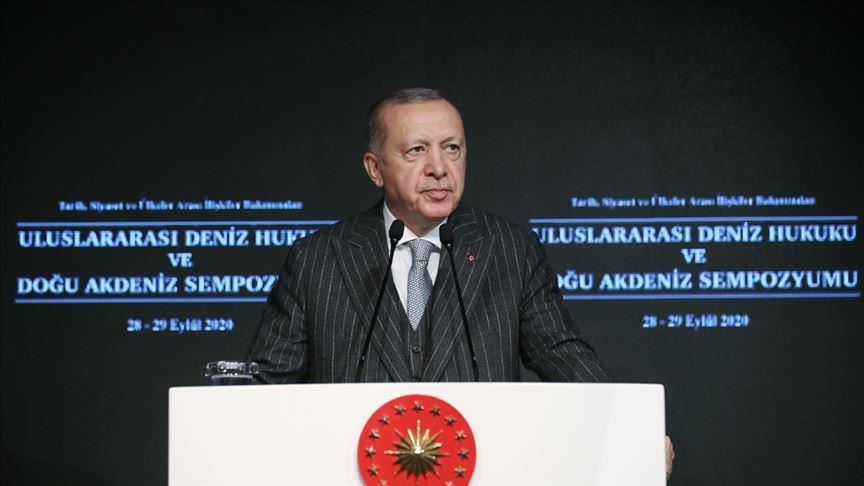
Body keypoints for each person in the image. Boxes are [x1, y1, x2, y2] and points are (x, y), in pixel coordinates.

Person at [246, 87, 673, 475]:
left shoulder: (509, 249)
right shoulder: (318, 258)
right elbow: (266, 386)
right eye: (417, 150)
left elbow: (562, 353)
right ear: (375, 168)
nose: (439, 168)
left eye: (452, 148)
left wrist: (632, 427)